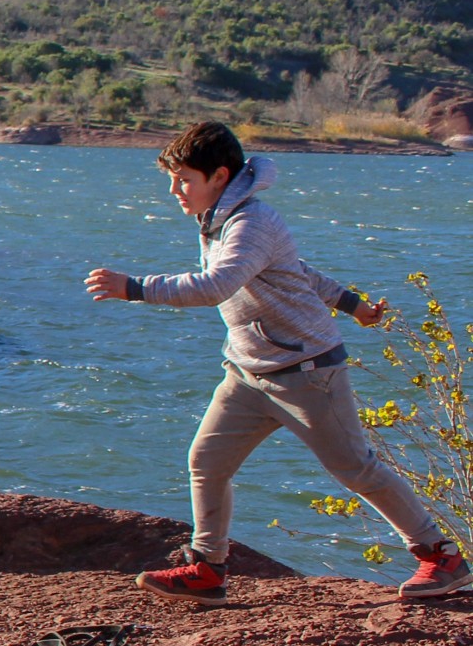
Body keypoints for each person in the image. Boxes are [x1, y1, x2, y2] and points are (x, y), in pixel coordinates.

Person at [84, 120, 470, 606]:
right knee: (206, 462)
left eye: (184, 180)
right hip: (248, 372)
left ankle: (441, 557)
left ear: (219, 176)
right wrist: (353, 304)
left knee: (355, 469)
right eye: (173, 180)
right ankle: (208, 568)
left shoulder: (251, 222)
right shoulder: (218, 219)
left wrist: (135, 288)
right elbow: (296, 270)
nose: (175, 191)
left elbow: (214, 287)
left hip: (308, 372)